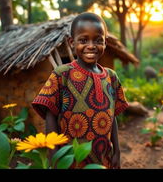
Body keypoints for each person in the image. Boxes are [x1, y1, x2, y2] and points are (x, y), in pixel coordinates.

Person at [32, 12, 129, 169]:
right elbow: (50, 115)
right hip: (70, 159)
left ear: (105, 43)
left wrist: (117, 150)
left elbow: (113, 116)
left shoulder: (111, 77)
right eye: (83, 40)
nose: (91, 45)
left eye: (98, 40)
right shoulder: (62, 74)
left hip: (104, 158)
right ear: (71, 42)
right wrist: (54, 155)